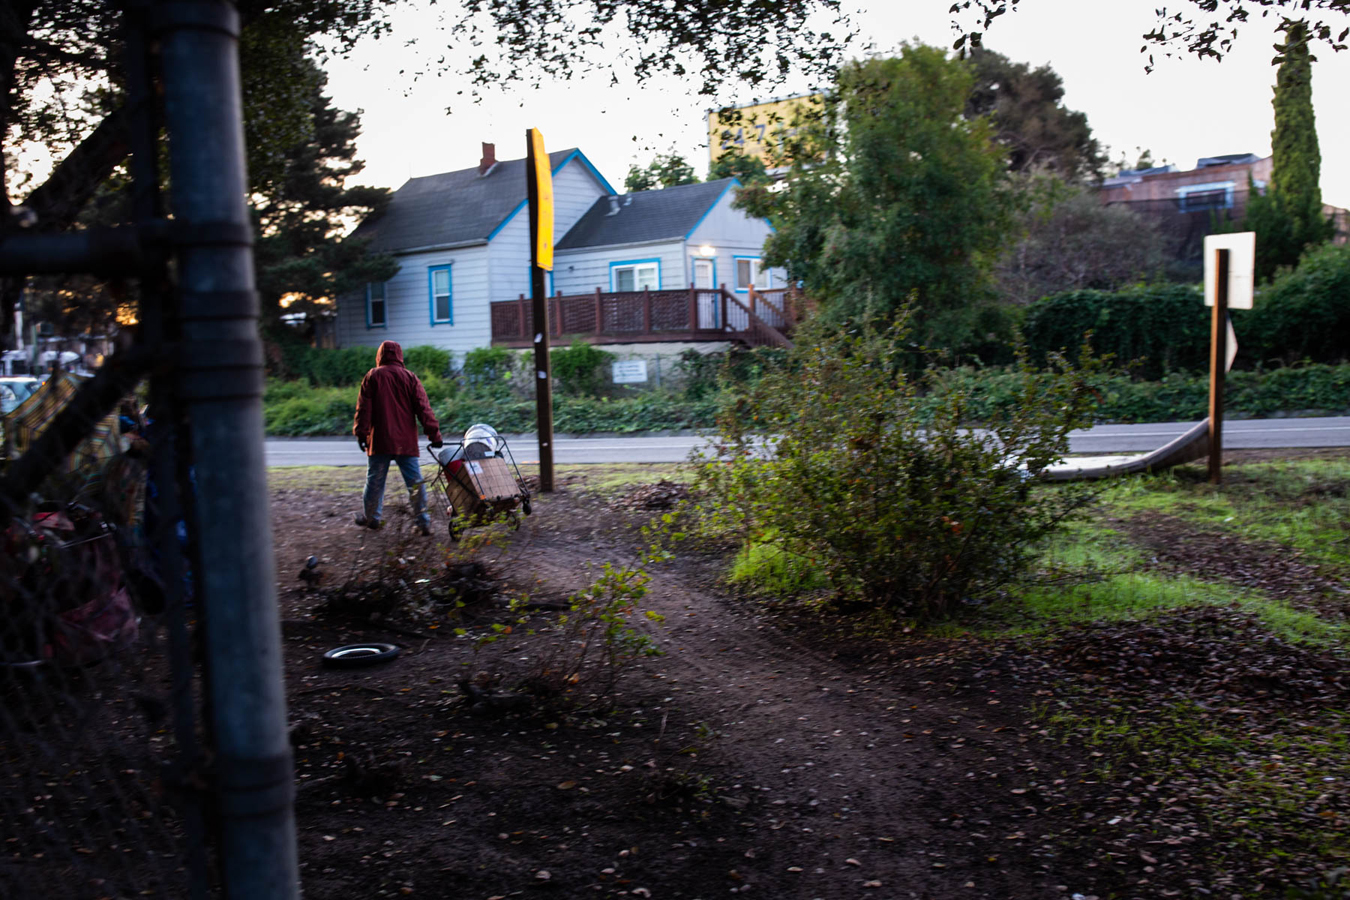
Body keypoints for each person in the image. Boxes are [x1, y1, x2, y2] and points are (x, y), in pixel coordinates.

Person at [352, 340, 443, 535]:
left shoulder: (372, 376)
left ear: (380, 356)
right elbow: (423, 408)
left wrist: (361, 433)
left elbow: (364, 409)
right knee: (415, 483)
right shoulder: (410, 378)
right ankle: (423, 522)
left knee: (375, 481)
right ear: (400, 356)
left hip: (380, 441)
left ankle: (372, 518)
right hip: (405, 442)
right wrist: (434, 435)